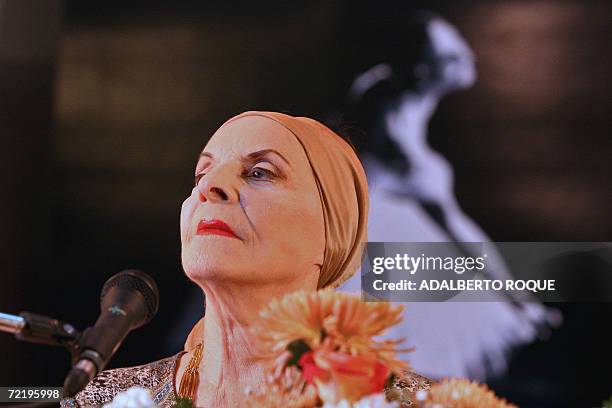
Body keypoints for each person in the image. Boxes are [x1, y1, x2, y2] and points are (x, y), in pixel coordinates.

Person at [60, 111, 431, 408]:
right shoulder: (104, 399)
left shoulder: (411, 403)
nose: (209, 186)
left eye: (259, 173)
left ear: (330, 232)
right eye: (201, 173)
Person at [335, 13, 558, 380]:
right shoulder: (398, 143)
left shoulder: (376, 93)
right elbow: (459, 232)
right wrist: (517, 299)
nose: (469, 55)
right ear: (424, 69)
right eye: (452, 53)